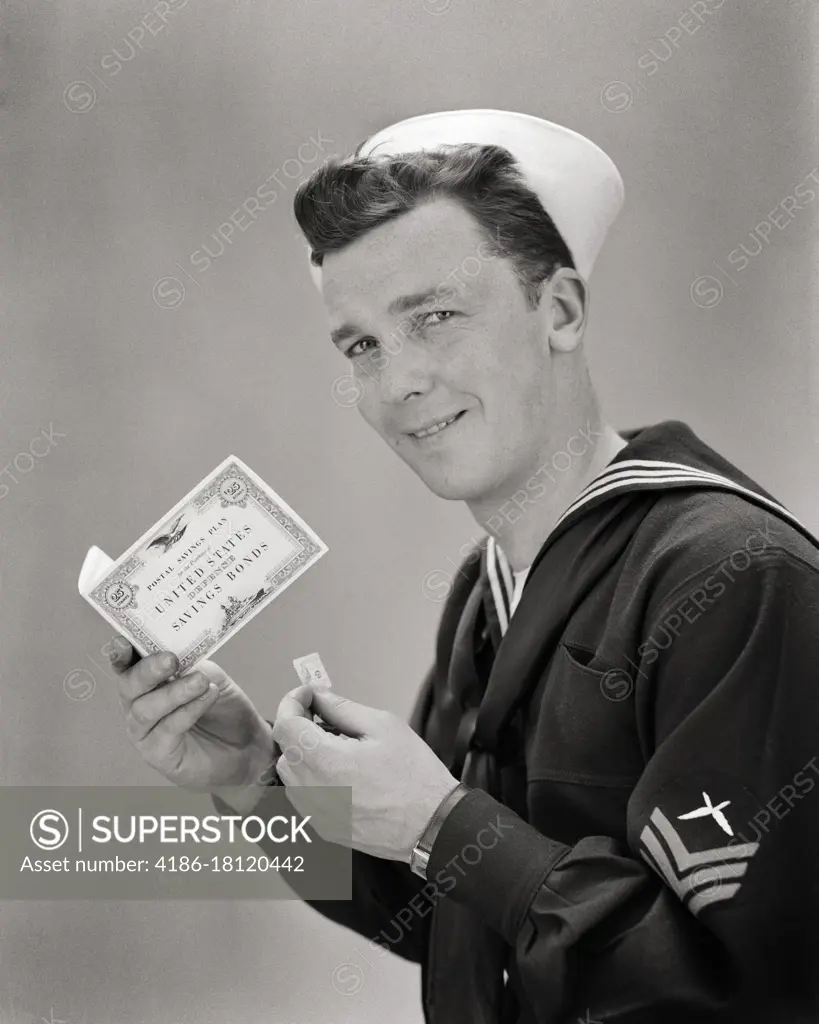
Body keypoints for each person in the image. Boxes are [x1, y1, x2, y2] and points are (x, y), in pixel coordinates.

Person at [111, 109, 819, 1023]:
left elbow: (760, 990)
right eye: (361, 344)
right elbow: (455, 918)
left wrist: (449, 825)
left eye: (434, 317)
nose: (394, 382)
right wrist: (257, 785)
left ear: (558, 310)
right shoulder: (486, 593)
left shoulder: (735, 579)